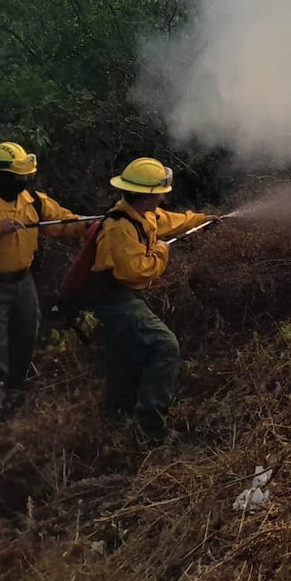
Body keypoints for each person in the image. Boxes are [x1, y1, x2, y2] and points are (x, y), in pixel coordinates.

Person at [0, 141, 89, 412]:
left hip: (24, 283)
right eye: (18, 176)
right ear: (0, 176)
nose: (24, 180)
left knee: (26, 335)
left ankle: (15, 390)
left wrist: (92, 225)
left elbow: (64, 222)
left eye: (25, 175)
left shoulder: (33, 201)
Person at [86, 157, 218, 443]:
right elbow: (135, 271)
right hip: (115, 298)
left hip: (122, 296)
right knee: (163, 346)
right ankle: (151, 428)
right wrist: (160, 252)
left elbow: (170, 221)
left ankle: (117, 421)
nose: (162, 196)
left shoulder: (142, 214)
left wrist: (200, 220)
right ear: (146, 195)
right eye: (159, 192)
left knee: (125, 358)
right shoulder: (119, 227)